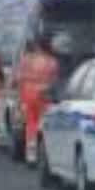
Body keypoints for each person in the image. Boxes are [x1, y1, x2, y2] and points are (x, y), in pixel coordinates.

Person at [16, 33, 60, 165]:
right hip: (44, 97)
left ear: (37, 46)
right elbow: (54, 81)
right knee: (44, 125)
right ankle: (44, 154)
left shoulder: (27, 59)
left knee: (30, 125)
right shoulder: (52, 61)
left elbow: (19, 79)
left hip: (28, 96)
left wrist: (19, 98)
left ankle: (31, 155)